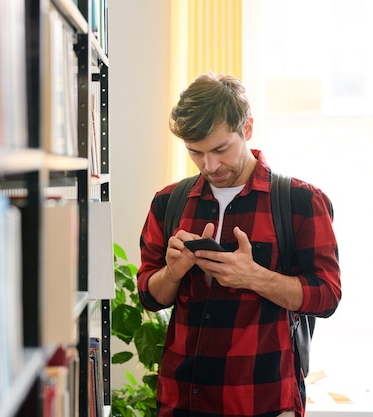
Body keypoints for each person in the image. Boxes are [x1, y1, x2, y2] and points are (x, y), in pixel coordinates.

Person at [137, 73, 341, 417]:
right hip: (181, 400)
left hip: (265, 401)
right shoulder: (168, 202)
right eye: (195, 153)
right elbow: (148, 295)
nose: (210, 165)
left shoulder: (301, 202)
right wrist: (172, 274)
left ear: (247, 129)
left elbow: (327, 296)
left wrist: (254, 277)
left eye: (220, 149)